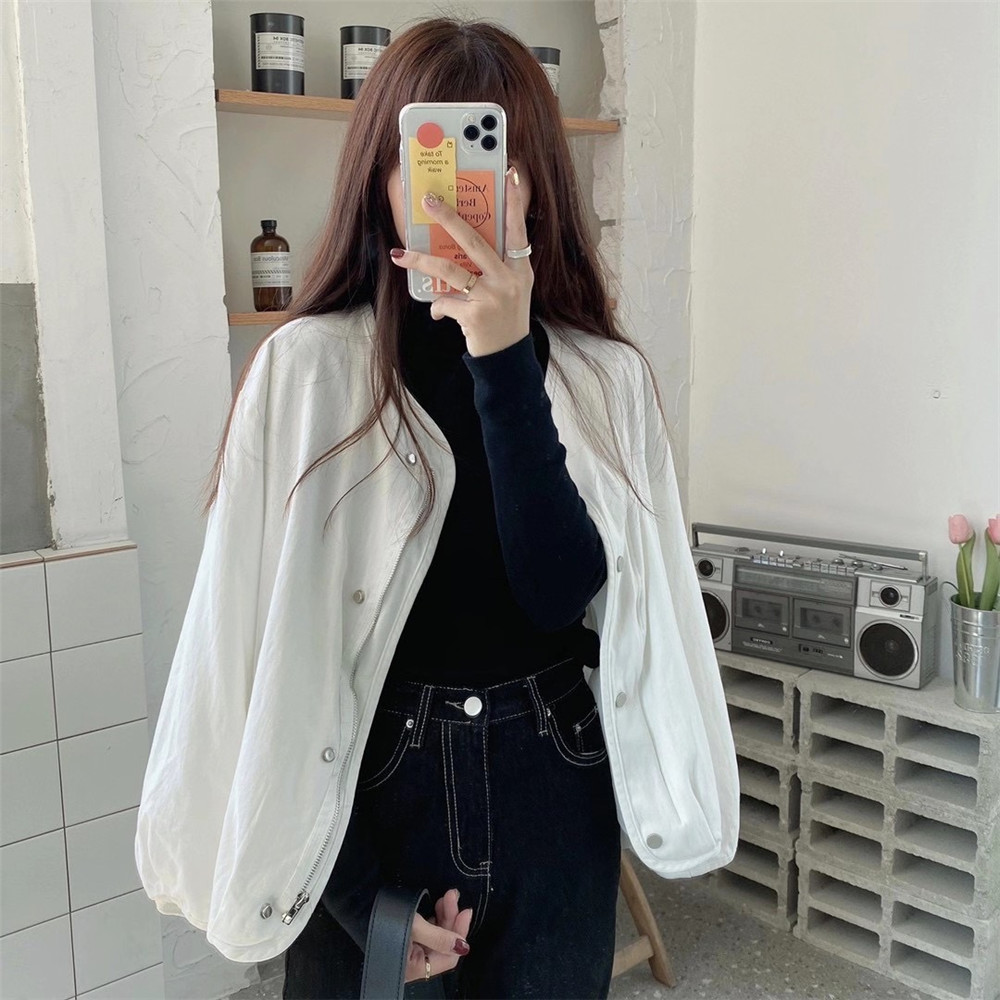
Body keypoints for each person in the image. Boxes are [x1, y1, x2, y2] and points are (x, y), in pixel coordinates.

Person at [133, 12, 740, 1000]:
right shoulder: (307, 372)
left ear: (536, 185)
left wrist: (503, 358)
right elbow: (259, 655)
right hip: (370, 779)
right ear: (381, 177)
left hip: (553, 771)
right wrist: (352, 894)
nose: (459, 189)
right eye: (427, 157)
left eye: (492, 157)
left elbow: (558, 594)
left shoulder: (602, 378)